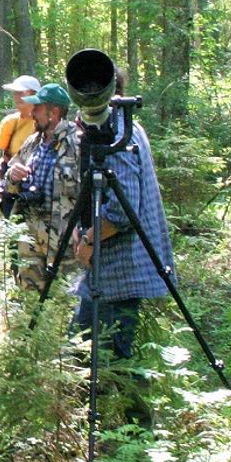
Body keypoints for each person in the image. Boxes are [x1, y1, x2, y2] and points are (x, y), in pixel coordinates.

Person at [71, 104, 173, 359]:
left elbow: (123, 211)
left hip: (120, 270)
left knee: (102, 359)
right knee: (90, 352)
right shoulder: (125, 127)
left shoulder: (115, 135)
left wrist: (88, 239)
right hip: (113, 271)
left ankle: (125, 398)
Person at [4, 83, 82, 292]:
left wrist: (83, 229)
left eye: (37, 108)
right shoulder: (32, 143)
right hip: (30, 235)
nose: (32, 113)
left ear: (54, 112)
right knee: (29, 295)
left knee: (64, 299)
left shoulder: (77, 144)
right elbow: (8, 184)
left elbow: (92, 193)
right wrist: (13, 176)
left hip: (64, 238)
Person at [0, 74, 39, 216]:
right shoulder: (9, 122)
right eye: (14, 93)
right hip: (13, 186)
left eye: (21, 92)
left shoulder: (47, 122)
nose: (16, 97)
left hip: (39, 188)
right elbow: (4, 159)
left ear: (35, 95)